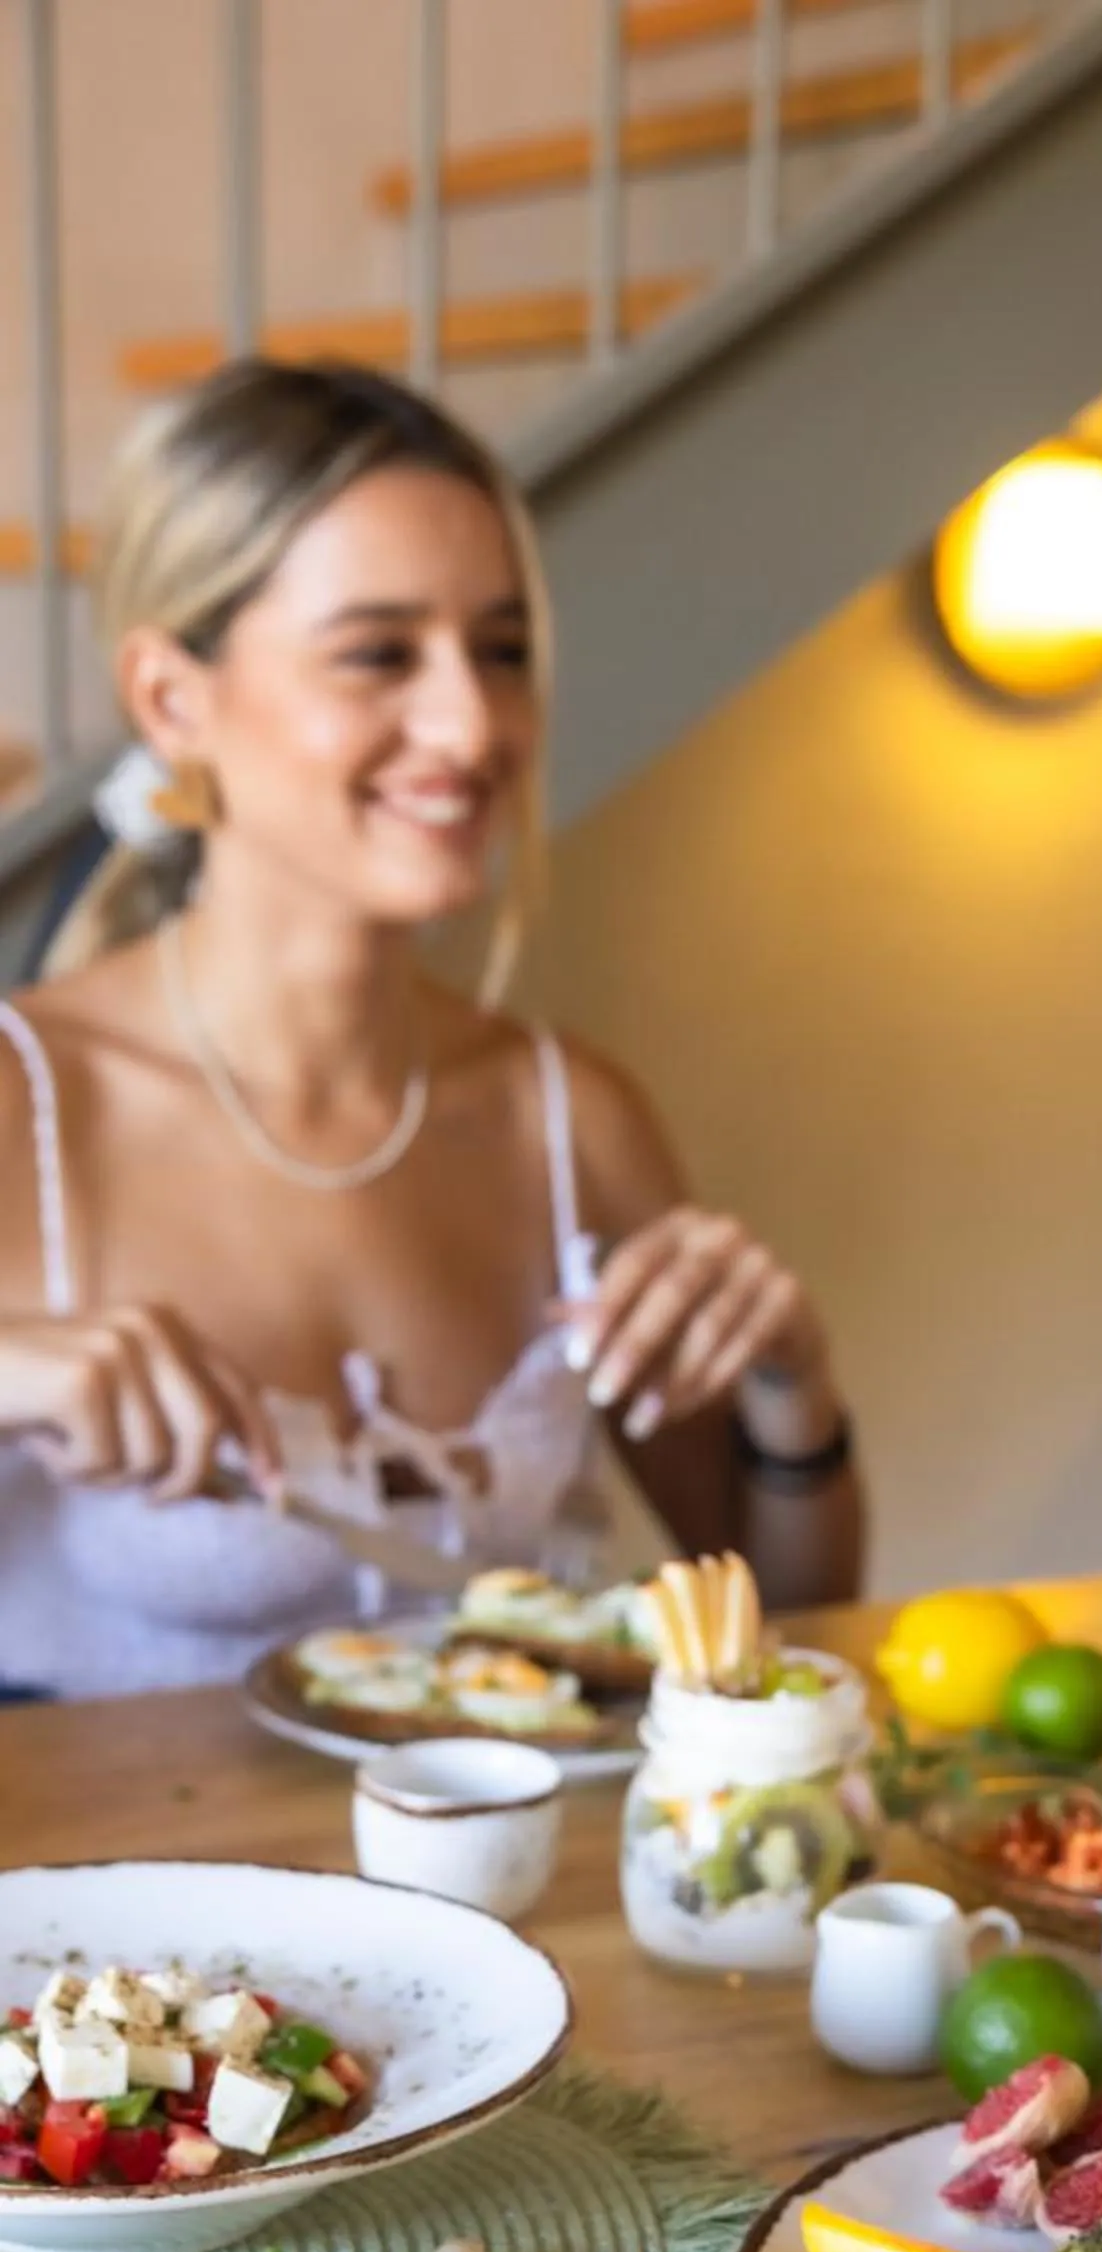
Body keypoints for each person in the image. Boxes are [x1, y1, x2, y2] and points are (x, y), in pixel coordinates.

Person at [0, 360, 861, 1700]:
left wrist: (788, 1382)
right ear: (174, 702)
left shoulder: (568, 1119)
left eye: (502, 651)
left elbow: (785, 1629)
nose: (471, 725)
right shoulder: (28, 1103)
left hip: (508, 1908)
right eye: (379, 654)